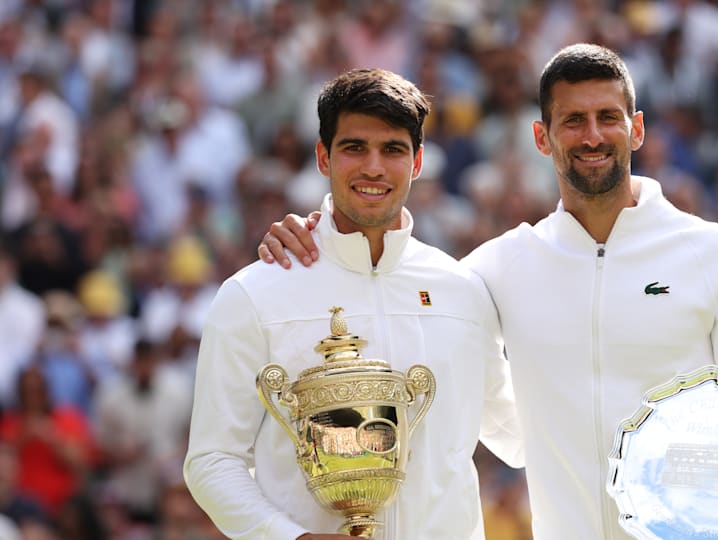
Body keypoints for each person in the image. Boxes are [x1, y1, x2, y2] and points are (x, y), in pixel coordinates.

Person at [259, 44, 718, 539]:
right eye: (572, 120)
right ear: (542, 136)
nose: (591, 136)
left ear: (636, 129)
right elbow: (387, 281)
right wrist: (321, 240)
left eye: (607, 117)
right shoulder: (496, 268)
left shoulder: (716, 255)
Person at [183, 68, 522, 540]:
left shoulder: (462, 289)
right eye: (354, 148)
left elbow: (516, 434)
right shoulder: (253, 293)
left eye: (393, 150)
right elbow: (211, 461)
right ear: (323, 157)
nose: (374, 168)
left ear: (418, 161)